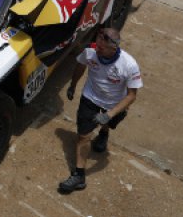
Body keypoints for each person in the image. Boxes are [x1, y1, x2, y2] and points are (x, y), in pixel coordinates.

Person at [59, 28, 143, 193]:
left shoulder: (129, 65)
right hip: (90, 98)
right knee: (83, 136)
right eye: (97, 45)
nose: (97, 50)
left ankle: (104, 133)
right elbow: (81, 66)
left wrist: (109, 115)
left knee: (106, 123)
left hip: (114, 104)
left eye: (102, 48)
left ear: (114, 47)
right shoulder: (91, 51)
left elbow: (131, 96)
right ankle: (79, 176)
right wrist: (73, 85)